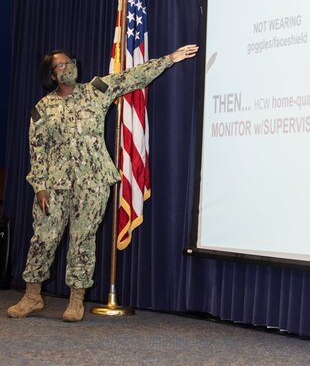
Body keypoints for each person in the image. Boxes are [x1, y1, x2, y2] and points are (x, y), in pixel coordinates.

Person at [7, 44, 198, 322]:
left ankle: (76, 300)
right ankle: (33, 296)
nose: (69, 66)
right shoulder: (43, 108)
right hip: (55, 185)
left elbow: (132, 77)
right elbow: (38, 150)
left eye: (70, 61)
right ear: (51, 74)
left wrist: (169, 59)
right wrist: (40, 186)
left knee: (82, 239)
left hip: (93, 182)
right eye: (61, 65)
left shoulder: (96, 91)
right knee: (43, 239)